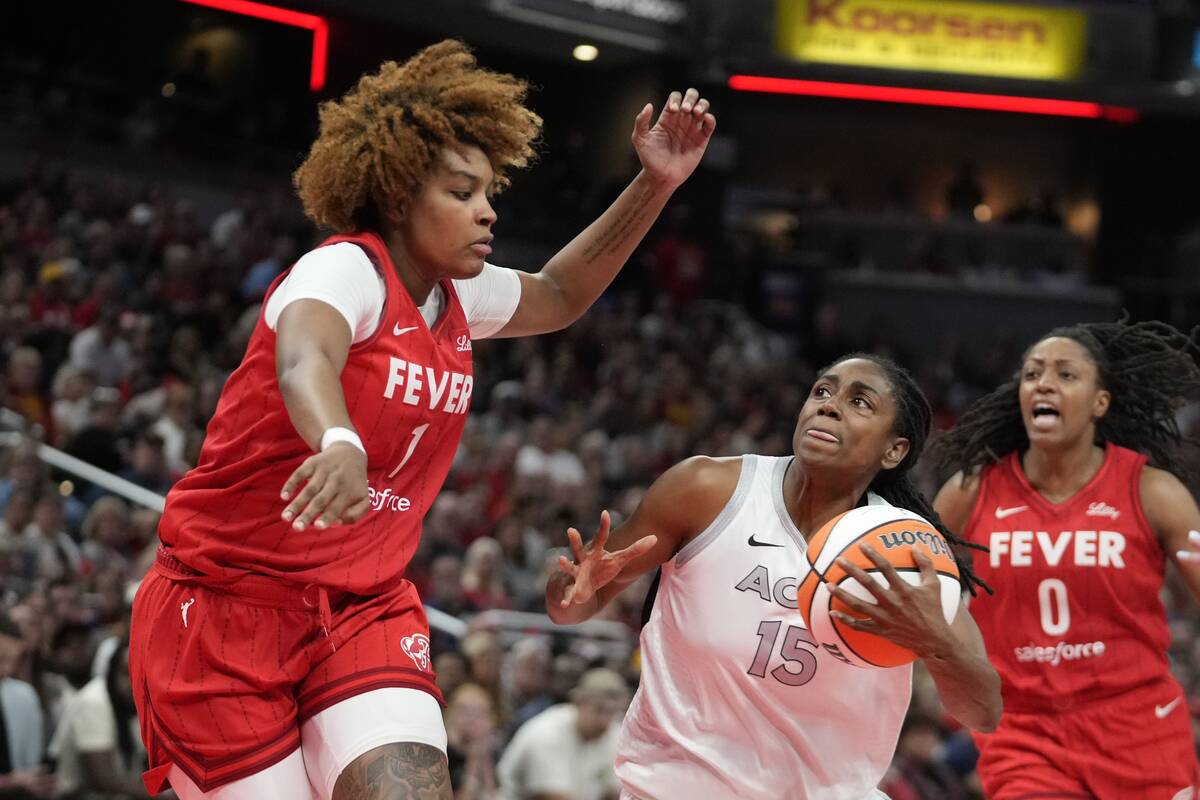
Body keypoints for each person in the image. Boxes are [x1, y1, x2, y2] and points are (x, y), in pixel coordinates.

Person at [129, 39, 715, 800]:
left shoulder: (458, 296)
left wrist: (654, 184)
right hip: (224, 609)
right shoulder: (345, 269)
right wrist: (337, 439)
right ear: (402, 197)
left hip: (362, 604)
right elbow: (305, 355)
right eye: (463, 193)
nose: (488, 209)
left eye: (488, 191)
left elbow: (562, 295)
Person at [547, 354, 1002, 799]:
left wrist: (935, 640)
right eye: (822, 391)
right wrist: (569, 586)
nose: (829, 404)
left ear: (894, 450)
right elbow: (570, 608)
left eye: (860, 402)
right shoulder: (706, 490)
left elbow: (983, 711)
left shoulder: (909, 553)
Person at [931, 319, 1200, 799]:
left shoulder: (1152, 492)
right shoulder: (971, 492)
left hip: (1139, 726)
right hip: (1026, 733)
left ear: (1101, 402)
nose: (1044, 383)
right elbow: (913, 587)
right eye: (1032, 374)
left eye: (1065, 374)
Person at [496, 668, 628, 800]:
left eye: (612, 712)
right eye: (599, 710)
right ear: (578, 702)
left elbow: (617, 791)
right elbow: (552, 796)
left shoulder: (613, 733)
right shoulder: (547, 733)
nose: (605, 721)